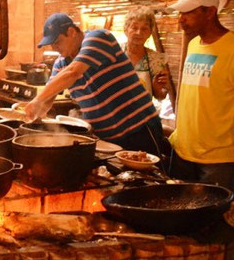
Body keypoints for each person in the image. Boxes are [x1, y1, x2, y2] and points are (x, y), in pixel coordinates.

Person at [25, 13, 167, 156]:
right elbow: (48, 97)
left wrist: (36, 100)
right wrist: (34, 115)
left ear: (71, 32)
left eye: (57, 42)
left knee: (153, 175)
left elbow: (73, 72)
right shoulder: (61, 63)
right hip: (107, 140)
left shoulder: (98, 38)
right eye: (51, 44)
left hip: (139, 129)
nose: (54, 48)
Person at [167, 0, 234, 191]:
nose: (181, 18)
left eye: (188, 12)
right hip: (183, 150)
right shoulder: (195, 43)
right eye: (180, 12)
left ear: (210, 12)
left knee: (212, 221)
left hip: (218, 159)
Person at [122, 7, 175, 105]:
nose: (139, 33)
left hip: (143, 115)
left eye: (144, 29)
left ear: (150, 33)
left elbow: (160, 96)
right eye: (134, 27)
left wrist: (158, 88)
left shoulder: (155, 60)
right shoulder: (115, 54)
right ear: (126, 29)